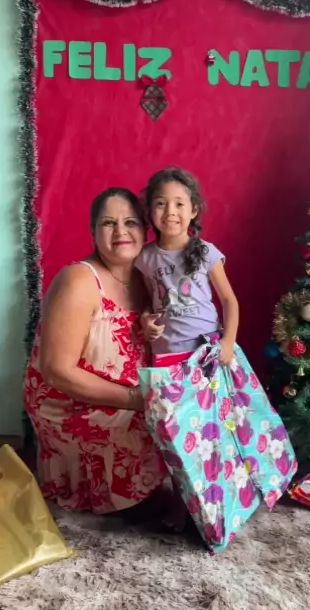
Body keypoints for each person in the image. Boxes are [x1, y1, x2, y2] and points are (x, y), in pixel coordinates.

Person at [23, 187, 165, 514]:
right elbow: (57, 371)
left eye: (130, 222)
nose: (120, 231)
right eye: (108, 223)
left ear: (145, 230)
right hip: (69, 400)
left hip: (126, 391)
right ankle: (122, 499)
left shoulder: (148, 277)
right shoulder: (78, 280)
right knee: (143, 425)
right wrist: (134, 400)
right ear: (93, 232)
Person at [137, 166, 239, 367]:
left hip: (206, 351)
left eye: (179, 204)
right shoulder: (144, 258)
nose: (170, 212)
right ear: (150, 210)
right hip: (166, 355)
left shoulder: (206, 252)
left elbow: (229, 301)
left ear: (193, 210)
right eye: (161, 203)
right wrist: (145, 319)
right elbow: (151, 300)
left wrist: (228, 342)